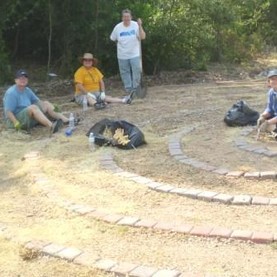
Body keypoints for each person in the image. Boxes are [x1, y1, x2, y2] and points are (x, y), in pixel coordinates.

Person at [3, 69, 69, 134]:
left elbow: (37, 101)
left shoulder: (27, 90)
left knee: (46, 103)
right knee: (33, 107)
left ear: (27, 80)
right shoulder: (11, 93)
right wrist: (16, 123)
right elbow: (8, 112)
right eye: (20, 78)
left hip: (27, 118)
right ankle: (52, 126)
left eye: (25, 78)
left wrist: (50, 107)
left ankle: (66, 120)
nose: (23, 80)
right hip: (15, 121)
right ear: (15, 80)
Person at [110, 9, 146, 97]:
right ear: (122, 18)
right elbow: (112, 38)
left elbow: (142, 37)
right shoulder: (118, 27)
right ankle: (129, 90)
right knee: (124, 73)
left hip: (135, 54)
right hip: (122, 55)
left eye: (128, 17)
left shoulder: (135, 25)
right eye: (124, 17)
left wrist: (140, 25)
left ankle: (136, 89)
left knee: (136, 71)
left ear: (131, 17)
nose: (126, 18)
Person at [257, 69, 277, 134]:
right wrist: (263, 116)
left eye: (276, 79)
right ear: (269, 82)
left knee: (270, 127)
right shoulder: (271, 92)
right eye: (272, 79)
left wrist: (268, 122)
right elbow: (269, 109)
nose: (275, 81)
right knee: (264, 124)